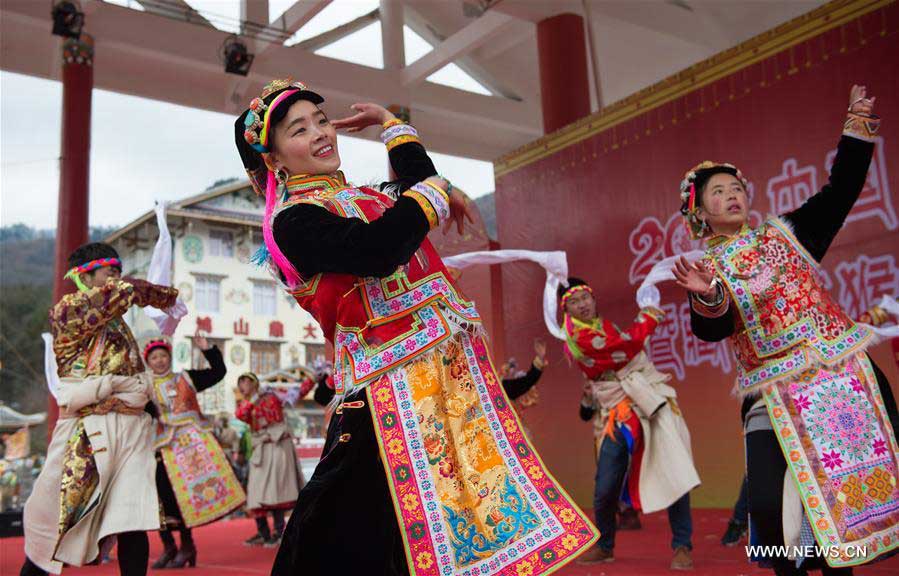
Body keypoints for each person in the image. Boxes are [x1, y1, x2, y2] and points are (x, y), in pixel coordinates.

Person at [233, 78, 597, 575]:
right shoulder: (293, 224)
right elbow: (380, 249)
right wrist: (431, 197)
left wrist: (391, 125)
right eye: (299, 130)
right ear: (274, 160)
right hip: (385, 393)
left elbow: (420, 193)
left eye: (321, 120)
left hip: (441, 374)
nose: (321, 133)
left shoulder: (368, 199)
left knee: (442, 525)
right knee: (340, 533)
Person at [674, 86, 899, 574]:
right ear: (699, 212)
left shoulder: (787, 233)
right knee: (772, 514)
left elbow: (841, 191)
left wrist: (856, 126)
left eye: (736, 188)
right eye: (718, 192)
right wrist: (709, 296)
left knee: (845, 506)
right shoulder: (706, 268)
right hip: (772, 392)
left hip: (839, 377)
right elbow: (711, 330)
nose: (732, 196)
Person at [20, 242, 178, 576]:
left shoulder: (117, 322)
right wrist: (165, 296)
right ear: (84, 275)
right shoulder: (68, 311)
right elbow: (123, 294)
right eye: (110, 272)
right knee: (56, 519)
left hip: (130, 427)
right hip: (87, 429)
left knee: (132, 516)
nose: (117, 279)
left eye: (119, 273)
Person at [561, 278, 699, 569]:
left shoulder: (606, 326)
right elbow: (627, 346)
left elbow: (627, 350)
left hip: (649, 399)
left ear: (594, 299)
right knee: (606, 485)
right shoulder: (576, 337)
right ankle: (605, 545)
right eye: (575, 301)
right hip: (619, 413)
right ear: (566, 309)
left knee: (673, 467)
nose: (583, 304)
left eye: (586, 297)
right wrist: (648, 315)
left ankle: (682, 546)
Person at [144, 331, 245, 569]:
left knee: (183, 497)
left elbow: (218, 373)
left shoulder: (186, 378)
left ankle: (187, 546)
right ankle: (169, 546)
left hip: (190, 447)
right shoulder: (144, 387)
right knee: (161, 497)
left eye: (162, 356)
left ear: (169, 357)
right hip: (160, 447)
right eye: (154, 357)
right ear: (147, 361)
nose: (159, 360)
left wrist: (207, 349)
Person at [235, 372, 300, 547]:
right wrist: (253, 398)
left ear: (255, 383)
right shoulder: (248, 403)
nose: (243, 386)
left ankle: (280, 532)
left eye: (247, 382)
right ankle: (263, 532)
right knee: (256, 493)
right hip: (260, 448)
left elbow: (295, 395)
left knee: (276, 490)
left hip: (276, 445)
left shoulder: (271, 397)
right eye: (241, 383)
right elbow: (240, 415)